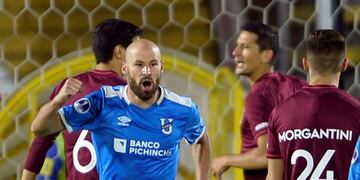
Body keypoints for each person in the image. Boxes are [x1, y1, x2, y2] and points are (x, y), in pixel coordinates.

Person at [30, 39, 211, 179]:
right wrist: (57, 102)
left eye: (153, 64)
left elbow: (201, 140)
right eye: (139, 65)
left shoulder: (183, 109)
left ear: (161, 67)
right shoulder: (103, 102)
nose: (146, 71)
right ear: (125, 69)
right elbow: (40, 128)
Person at [22, 18, 143, 180]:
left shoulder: (69, 87)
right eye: (136, 51)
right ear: (120, 52)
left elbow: (40, 143)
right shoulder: (131, 94)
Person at [211, 22, 306, 180]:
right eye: (237, 46)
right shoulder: (295, 84)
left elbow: (267, 153)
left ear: (266, 55)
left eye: (245, 47)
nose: (235, 52)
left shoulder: (258, 96)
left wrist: (227, 159)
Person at [266, 29, 360, 180]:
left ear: (305, 63)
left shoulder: (280, 113)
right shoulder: (357, 112)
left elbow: (273, 177)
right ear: (344, 65)